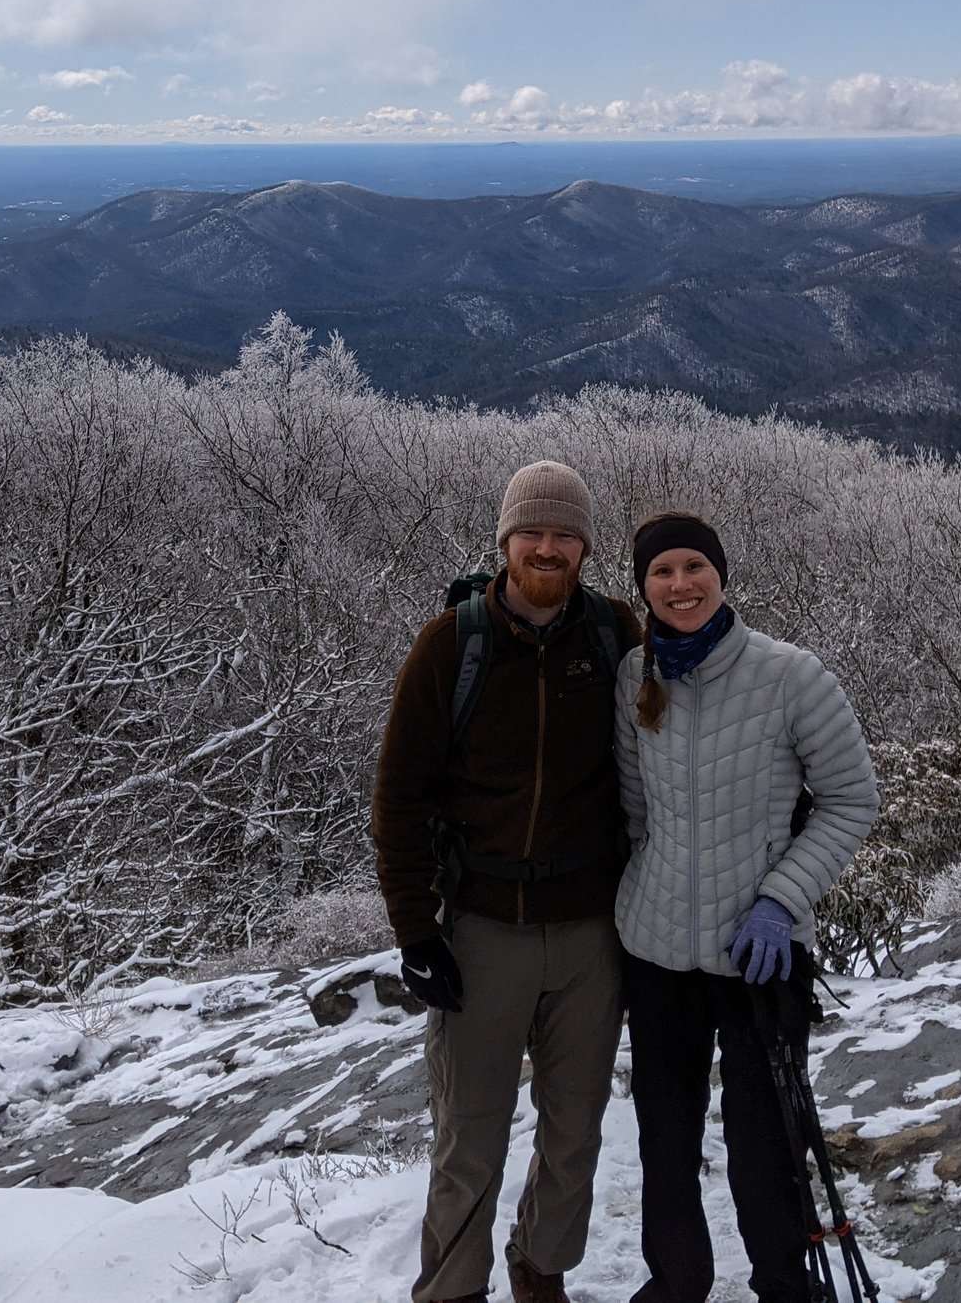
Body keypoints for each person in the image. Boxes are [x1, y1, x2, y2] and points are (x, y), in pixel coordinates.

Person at [372, 460, 643, 1303]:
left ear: (586, 547)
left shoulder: (613, 635)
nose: (549, 547)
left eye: (566, 534)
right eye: (534, 532)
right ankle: (453, 1287)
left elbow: (682, 744)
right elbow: (399, 793)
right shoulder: (453, 643)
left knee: (575, 1131)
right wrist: (417, 929)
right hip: (484, 924)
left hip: (593, 927)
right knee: (469, 1133)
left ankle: (541, 1264)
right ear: (505, 541)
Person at [613, 512, 882, 1303]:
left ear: (721, 575)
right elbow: (637, 812)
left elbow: (850, 800)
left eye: (695, 565)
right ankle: (677, 1284)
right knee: (666, 1137)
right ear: (644, 588)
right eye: (662, 572)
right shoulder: (636, 676)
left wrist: (780, 901)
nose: (680, 584)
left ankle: (783, 1285)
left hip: (758, 954)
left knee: (765, 1142)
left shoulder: (790, 675)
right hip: (657, 951)